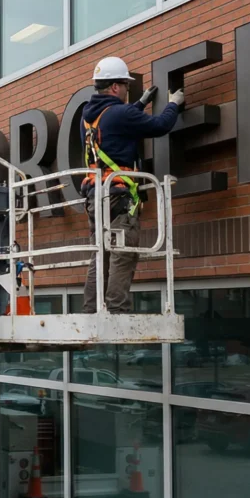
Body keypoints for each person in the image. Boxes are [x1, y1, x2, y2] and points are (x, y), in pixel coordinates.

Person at [80, 56, 184, 314]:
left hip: (96, 196)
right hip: (118, 197)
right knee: (123, 252)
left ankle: (91, 309)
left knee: (100, 254)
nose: (127, 89)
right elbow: (160, 125)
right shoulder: (120, 113)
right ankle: (117, 311)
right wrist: (173, 105)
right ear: (115, 87)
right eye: (125, 85)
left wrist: (140, 103)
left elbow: (117, 123)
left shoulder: (89, 117)